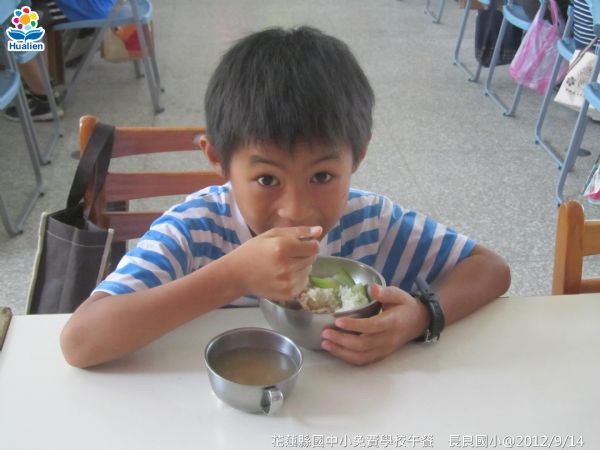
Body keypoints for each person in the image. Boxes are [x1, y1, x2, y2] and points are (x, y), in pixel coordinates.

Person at [60, 26, 511, 368]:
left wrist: (420, 318)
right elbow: (80, 341)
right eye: (267, 179)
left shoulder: (369, 220)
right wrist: (232, 276)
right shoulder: (194, 230)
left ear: (359, 155)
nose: (296, 209)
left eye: (322, 175)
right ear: (217, 159)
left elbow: (490, 268)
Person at [4, 0, 116, 121]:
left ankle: (43, 100)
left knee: (15, 21)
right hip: (94, 5)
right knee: (25, 12)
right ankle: (42, 86)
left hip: (86, 8)